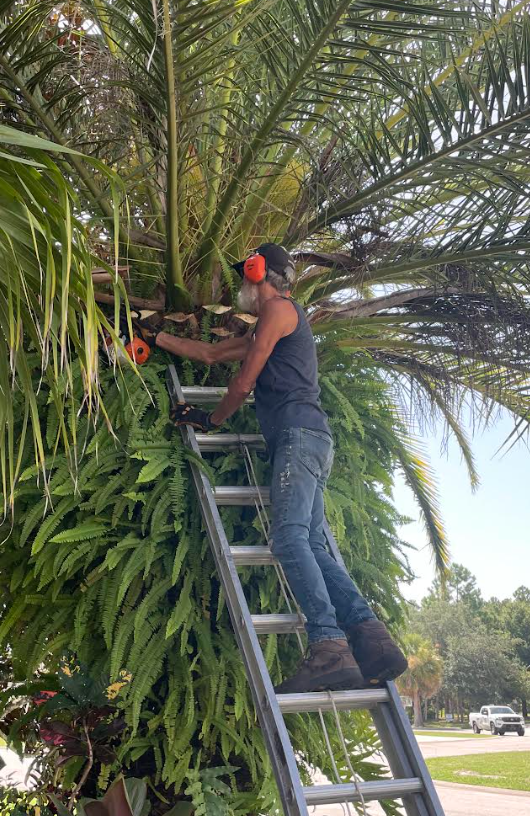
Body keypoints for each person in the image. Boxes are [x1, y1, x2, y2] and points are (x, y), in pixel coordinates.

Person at [144, 241, 407, 693]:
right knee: (314, 545)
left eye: (243, 275)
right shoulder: (272, 323)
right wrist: (156, 339)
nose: (239, 287)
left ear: (257, 271)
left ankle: (329, 646)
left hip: (298, 437)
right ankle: (374, 642)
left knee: (288, 538)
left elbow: (243, 382)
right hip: (312, 440)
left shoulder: (280, 311)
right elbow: (211, 354)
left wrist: (211, 419)